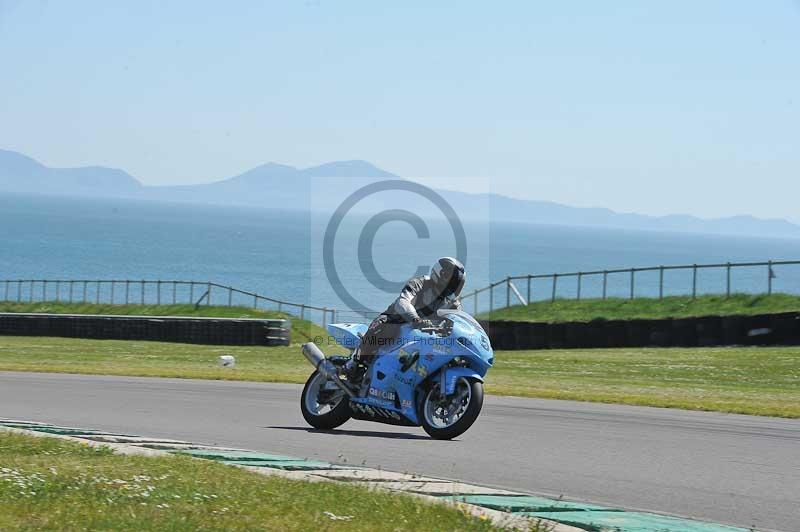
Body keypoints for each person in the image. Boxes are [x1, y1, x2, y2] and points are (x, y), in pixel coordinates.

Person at [346, 257, 465, 383]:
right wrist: (416, 319)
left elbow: (457, 321)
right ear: (439, 273)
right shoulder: (420, 283)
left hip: (423, 334)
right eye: (450, 280)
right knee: (387, 330)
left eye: (456, 283)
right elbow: (402, 301)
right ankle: (355, 363)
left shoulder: (453, 304)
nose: (452, 285)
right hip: (395, 320)